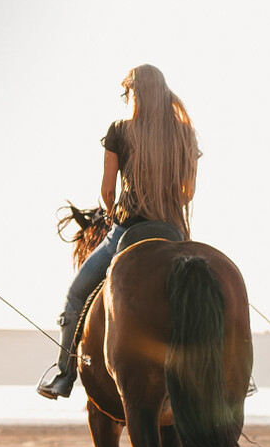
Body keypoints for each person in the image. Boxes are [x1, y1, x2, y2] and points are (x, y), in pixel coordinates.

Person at [37, 64, 200, 399]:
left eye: (127, 92)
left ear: (135, 93)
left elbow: (107, 193)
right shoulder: (185, 133)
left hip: (127, 231)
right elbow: (189, 193)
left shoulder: (120, 130)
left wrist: (113, 215)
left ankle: (64, 375)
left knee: (76, 295)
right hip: (173, 232)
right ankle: (238, 377)